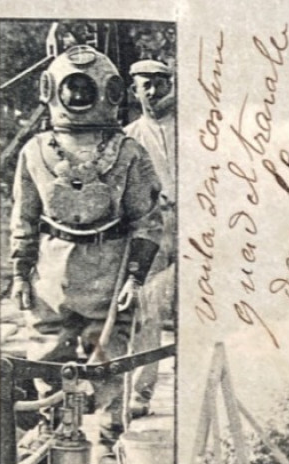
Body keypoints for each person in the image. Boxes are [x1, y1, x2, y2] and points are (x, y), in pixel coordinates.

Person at [10, 46, 163, 464]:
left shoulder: (128, 152)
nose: (80, 96)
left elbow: (148, 221)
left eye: (87, 88)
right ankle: (51, 434)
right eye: (72, 88)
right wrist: (21, 273)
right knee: (46, 353)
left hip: (109, 268)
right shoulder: (35, 151)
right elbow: (22, 217)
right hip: (52, 269)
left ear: (110, 91)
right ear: (52, 90)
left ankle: (109, 444)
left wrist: (135, 276)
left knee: (109, 358)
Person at [122, 58, 176, 412]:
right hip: (154, 228)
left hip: (195, 226)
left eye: (161, 83)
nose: (155, 91)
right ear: (134, 91)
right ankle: (140, 394)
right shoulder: (128, 137)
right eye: (147, 85)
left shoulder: (191, 129)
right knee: (148, 309)